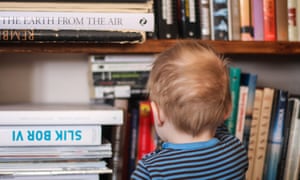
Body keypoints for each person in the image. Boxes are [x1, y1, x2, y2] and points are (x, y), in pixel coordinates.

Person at [131, 40, 248, 180]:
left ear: (157, 114)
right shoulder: (234, 151)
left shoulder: (151, 169)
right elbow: (219, 129)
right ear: (228, 110)